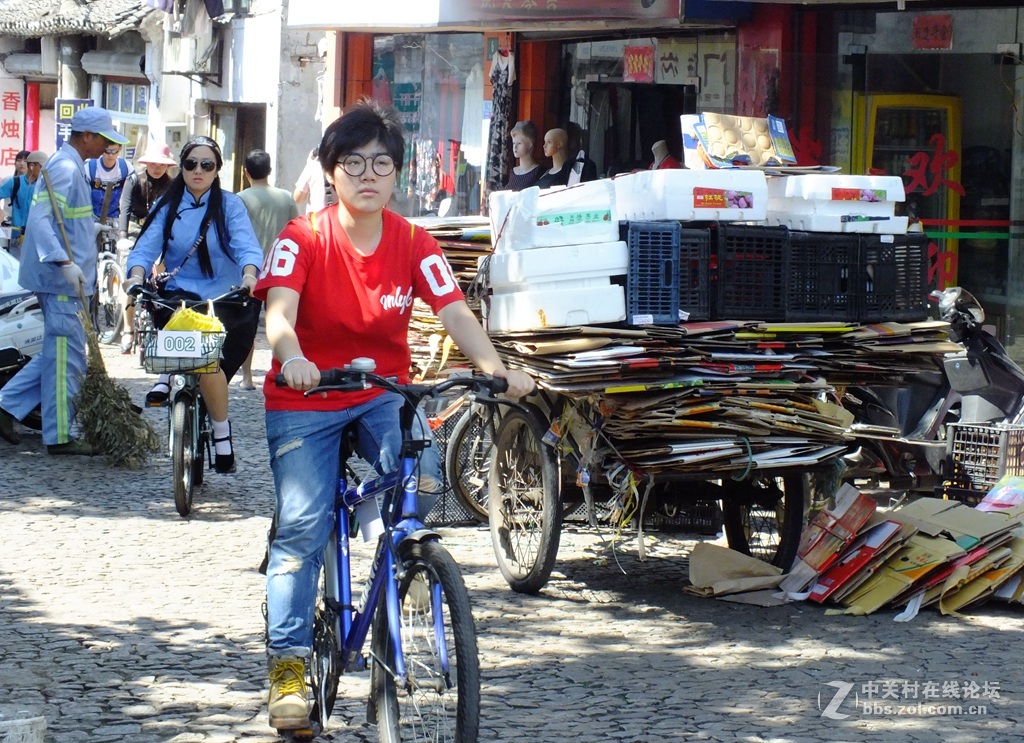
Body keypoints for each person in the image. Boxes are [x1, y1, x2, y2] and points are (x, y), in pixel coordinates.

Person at [253, 99, 535, 732]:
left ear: (398, 174)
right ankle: (289, 669)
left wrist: (494, 367)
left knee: (423, 471)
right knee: (301, 525)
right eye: (352, 162)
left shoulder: (414, 240)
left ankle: (401, 565)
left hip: (382, 390)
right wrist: (292, 357)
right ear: (330, 172)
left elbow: (454, 310)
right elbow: (278, 314)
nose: (367, 174)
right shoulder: (304, 237)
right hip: (308, 394)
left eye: (381, 163)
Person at [122, 136, 263, 474]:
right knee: (169, 318)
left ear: (217, 170)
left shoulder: (230, 206)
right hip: (180, 294)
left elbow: (247, 247)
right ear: (182, 167)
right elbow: (144, 249)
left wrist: (248, 276)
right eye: (190, 164)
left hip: (225, 296)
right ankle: (167, 377)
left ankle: (221, 432)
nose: (198, 170)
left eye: (207, 165)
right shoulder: (167, 206)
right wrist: (136, 274)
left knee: (210, 364)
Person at [0, 107, 129, 453]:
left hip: (62, 280)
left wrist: (91, 229)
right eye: (103, 139)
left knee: (56, 353)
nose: (105, 147)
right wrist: (63, 262)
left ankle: (5, 404)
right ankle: (58, 437)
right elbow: (42, 222)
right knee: (65, 360)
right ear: (87, 136)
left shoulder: (68, 165)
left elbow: (64, 220)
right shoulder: (67, 167)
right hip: (59, 281)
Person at [237, 148, 299, 390]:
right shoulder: (286, 197)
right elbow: (296, 231)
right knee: (283, 322)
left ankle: (247, 377)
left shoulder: (240, 199)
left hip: (250, 272)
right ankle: (283, 371)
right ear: (270, 170)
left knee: (247, 328)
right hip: (281, 271)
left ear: (245, 173)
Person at [116, 142, 176, 353]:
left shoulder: (172, 185)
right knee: (131, 276)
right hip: (134, 228)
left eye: (162, 164)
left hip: (159, 231)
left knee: (163, 276)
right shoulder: (133, 180)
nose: (157, 168)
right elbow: (125, 209)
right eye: (153, 163)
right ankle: (128, 328)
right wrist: (122, 235)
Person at [0, 150, 46, 257]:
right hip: (17, 238)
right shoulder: (15, 182)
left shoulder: (44, 186)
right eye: (42, 167)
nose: (44, 171)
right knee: (16, 270)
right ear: (32, 166)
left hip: (37, 238)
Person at [87, 140, 131, 222]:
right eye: (106, 151)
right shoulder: (89, 167)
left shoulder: (126, 168)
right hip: (92, 217)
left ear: (120, 149)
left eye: (114, 151)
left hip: (115, 217)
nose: (110, 155)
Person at [504, 119, 543, 191]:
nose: (515, 147)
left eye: (519, 143)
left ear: (530, 144)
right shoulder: (513, 172)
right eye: (514, 143)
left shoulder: (538, 172)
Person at [293, 147, 328, 215]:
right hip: (339, 222)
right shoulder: (345, 167)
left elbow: (298, 199)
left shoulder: (313, 166)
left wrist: (309, 164)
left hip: (317, 222)